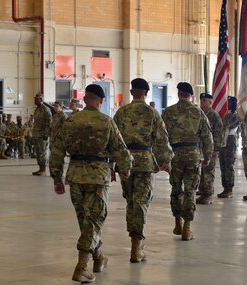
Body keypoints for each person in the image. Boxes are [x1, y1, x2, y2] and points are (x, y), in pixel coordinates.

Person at [50, 84, 132, 283]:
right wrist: (125, 168)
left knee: (86, 222)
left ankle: (98, 257)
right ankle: (82, 267)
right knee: (94, 222)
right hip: (97, 178)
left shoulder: (70, 121)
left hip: (75, 177)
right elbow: (121, 151)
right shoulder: (107, 122)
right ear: (100, 100)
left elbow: (57, 151)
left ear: (85, 99)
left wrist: (57, 178)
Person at [114, 78, 173, 262]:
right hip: (145, 162)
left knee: (131, 201)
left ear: (132, 92)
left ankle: (134, 241)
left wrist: (111, 163)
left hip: (126, 163)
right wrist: (166, 161)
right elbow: (162, 140)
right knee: (140, 202)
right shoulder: (153, 114)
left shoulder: (121, 113)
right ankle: (136, 246)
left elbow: (113, 140)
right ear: (146, 93)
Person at [162, 82, 213, 241]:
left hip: (175, 155)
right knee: (190, 190)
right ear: (191, 96)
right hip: (193, 155)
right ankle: (187, 228)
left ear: (178, 94)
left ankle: (177, 221)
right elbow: (207, 137)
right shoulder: (198, 112)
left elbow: (161, 136)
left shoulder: (168, 112)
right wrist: (208, 155)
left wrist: (163, 158)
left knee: (176, 189)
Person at [196, 92, 223, 205]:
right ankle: (202, 192)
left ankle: (208, 195)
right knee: (201, 172)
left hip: (209, 148)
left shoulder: (214, 116)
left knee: (208, 172)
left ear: (210, 102)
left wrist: (215, 149)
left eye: (204, 101)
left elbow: (218, 133)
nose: (202, 103)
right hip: (199, 148)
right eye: (201, 100)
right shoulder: (199, 114)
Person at [216, 96, 240, 198]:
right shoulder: (225, 114)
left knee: (229, 165)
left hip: (230, 140)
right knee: (223, 165)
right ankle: (224, 187)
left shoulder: (236, 115)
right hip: (223, 140)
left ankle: (229, 188)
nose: (227, 104)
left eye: (229, 103)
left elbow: (226, 125)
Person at [32, 92, 52, 175]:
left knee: (42, 152)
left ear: (41, 100)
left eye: (36, 99)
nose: (35, 101)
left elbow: (49, 123)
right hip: (36, 135)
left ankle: (43, 170)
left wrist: (46, 134)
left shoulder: (46, 110)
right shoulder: (37, 109)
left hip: (42, 135)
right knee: (37, 152)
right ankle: (40, 168)